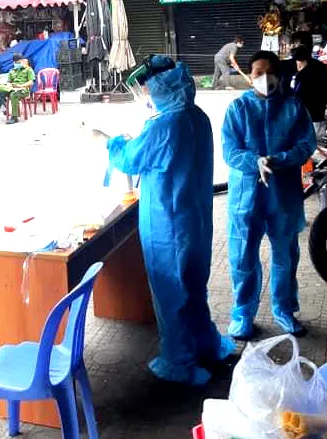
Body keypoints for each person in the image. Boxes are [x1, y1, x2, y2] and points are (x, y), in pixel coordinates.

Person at [105, 55, 235, 386]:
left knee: (171, 294)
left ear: (159, 87)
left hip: (167, 223)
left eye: (146, 88)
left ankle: (180, 361)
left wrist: (113, 143)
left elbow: (130, 160)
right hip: (195, 219)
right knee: (193, 289)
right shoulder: (197, 117)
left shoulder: (163, 126)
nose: (145, 94)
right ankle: (205, 345)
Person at [222, 51, 316, 340]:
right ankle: (242, 314)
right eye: (258, 73)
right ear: (249, 76)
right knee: (243, 256)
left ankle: (284, 309)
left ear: (280, 74)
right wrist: (256, 162)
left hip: (283, 194)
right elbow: (230, 151)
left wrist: (279, 159)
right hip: (246, 196)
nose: (265, 78)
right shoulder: (238, 108)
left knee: (285, 255)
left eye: (270, 72)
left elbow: (306, 145)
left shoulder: (293, 107)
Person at [289, 45, 327, 145]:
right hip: (317, 116)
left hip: (307, 117)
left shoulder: (302, 75)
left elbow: (297, 94)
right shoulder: (321, 67)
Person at [0, 53, 35, 125]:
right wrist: (9, 85)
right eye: (16, 63)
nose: (18, 64)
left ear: (22, 61)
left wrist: (20, 86)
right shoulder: (11, 71)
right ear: (13, 62)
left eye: (19, 62)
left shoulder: (28, 70)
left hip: (23, 90)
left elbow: (31, 82)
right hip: (12, 88)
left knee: (13, 94)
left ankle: (14, 117)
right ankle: (12, 92)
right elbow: (8, 82)